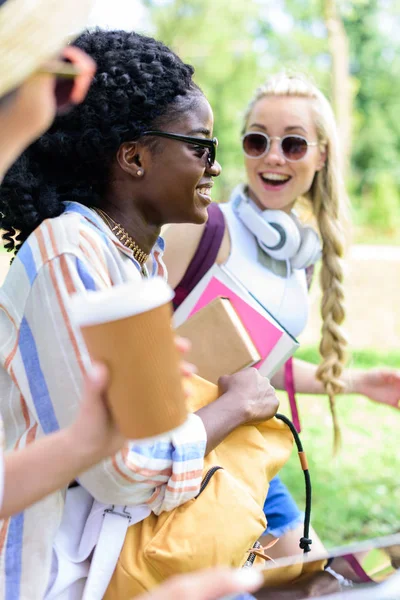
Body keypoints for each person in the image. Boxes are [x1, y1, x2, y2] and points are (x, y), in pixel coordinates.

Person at [0, 29, 280, 599]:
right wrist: (234, 406)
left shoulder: (135, 260)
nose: (216, 168)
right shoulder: (68, 251)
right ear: (133, 156)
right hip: (46, 579)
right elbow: (122, 469)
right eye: (201, 147)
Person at [162, 71, 400, 561]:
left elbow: (255, 366)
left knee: (321, 581)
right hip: (177, 461)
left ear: (321, 154)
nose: (273, 155)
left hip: (242, 456)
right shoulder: (200, 230)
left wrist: (357, 382)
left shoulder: (299, 259)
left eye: (293, 144)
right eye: (257, 140)